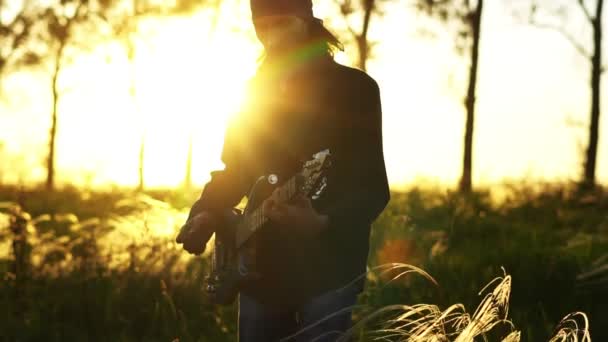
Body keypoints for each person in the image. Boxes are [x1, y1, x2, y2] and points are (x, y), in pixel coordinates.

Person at [175, 0, 390, 340]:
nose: (271, 38)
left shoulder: (356, 90)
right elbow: (236, 170)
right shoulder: (252, 93)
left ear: (306, 20)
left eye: (282, 25)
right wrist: (207, 213)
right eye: (263, 27)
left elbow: (372, 187)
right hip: (262, 278)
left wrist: (322, 222)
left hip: (327, 274)